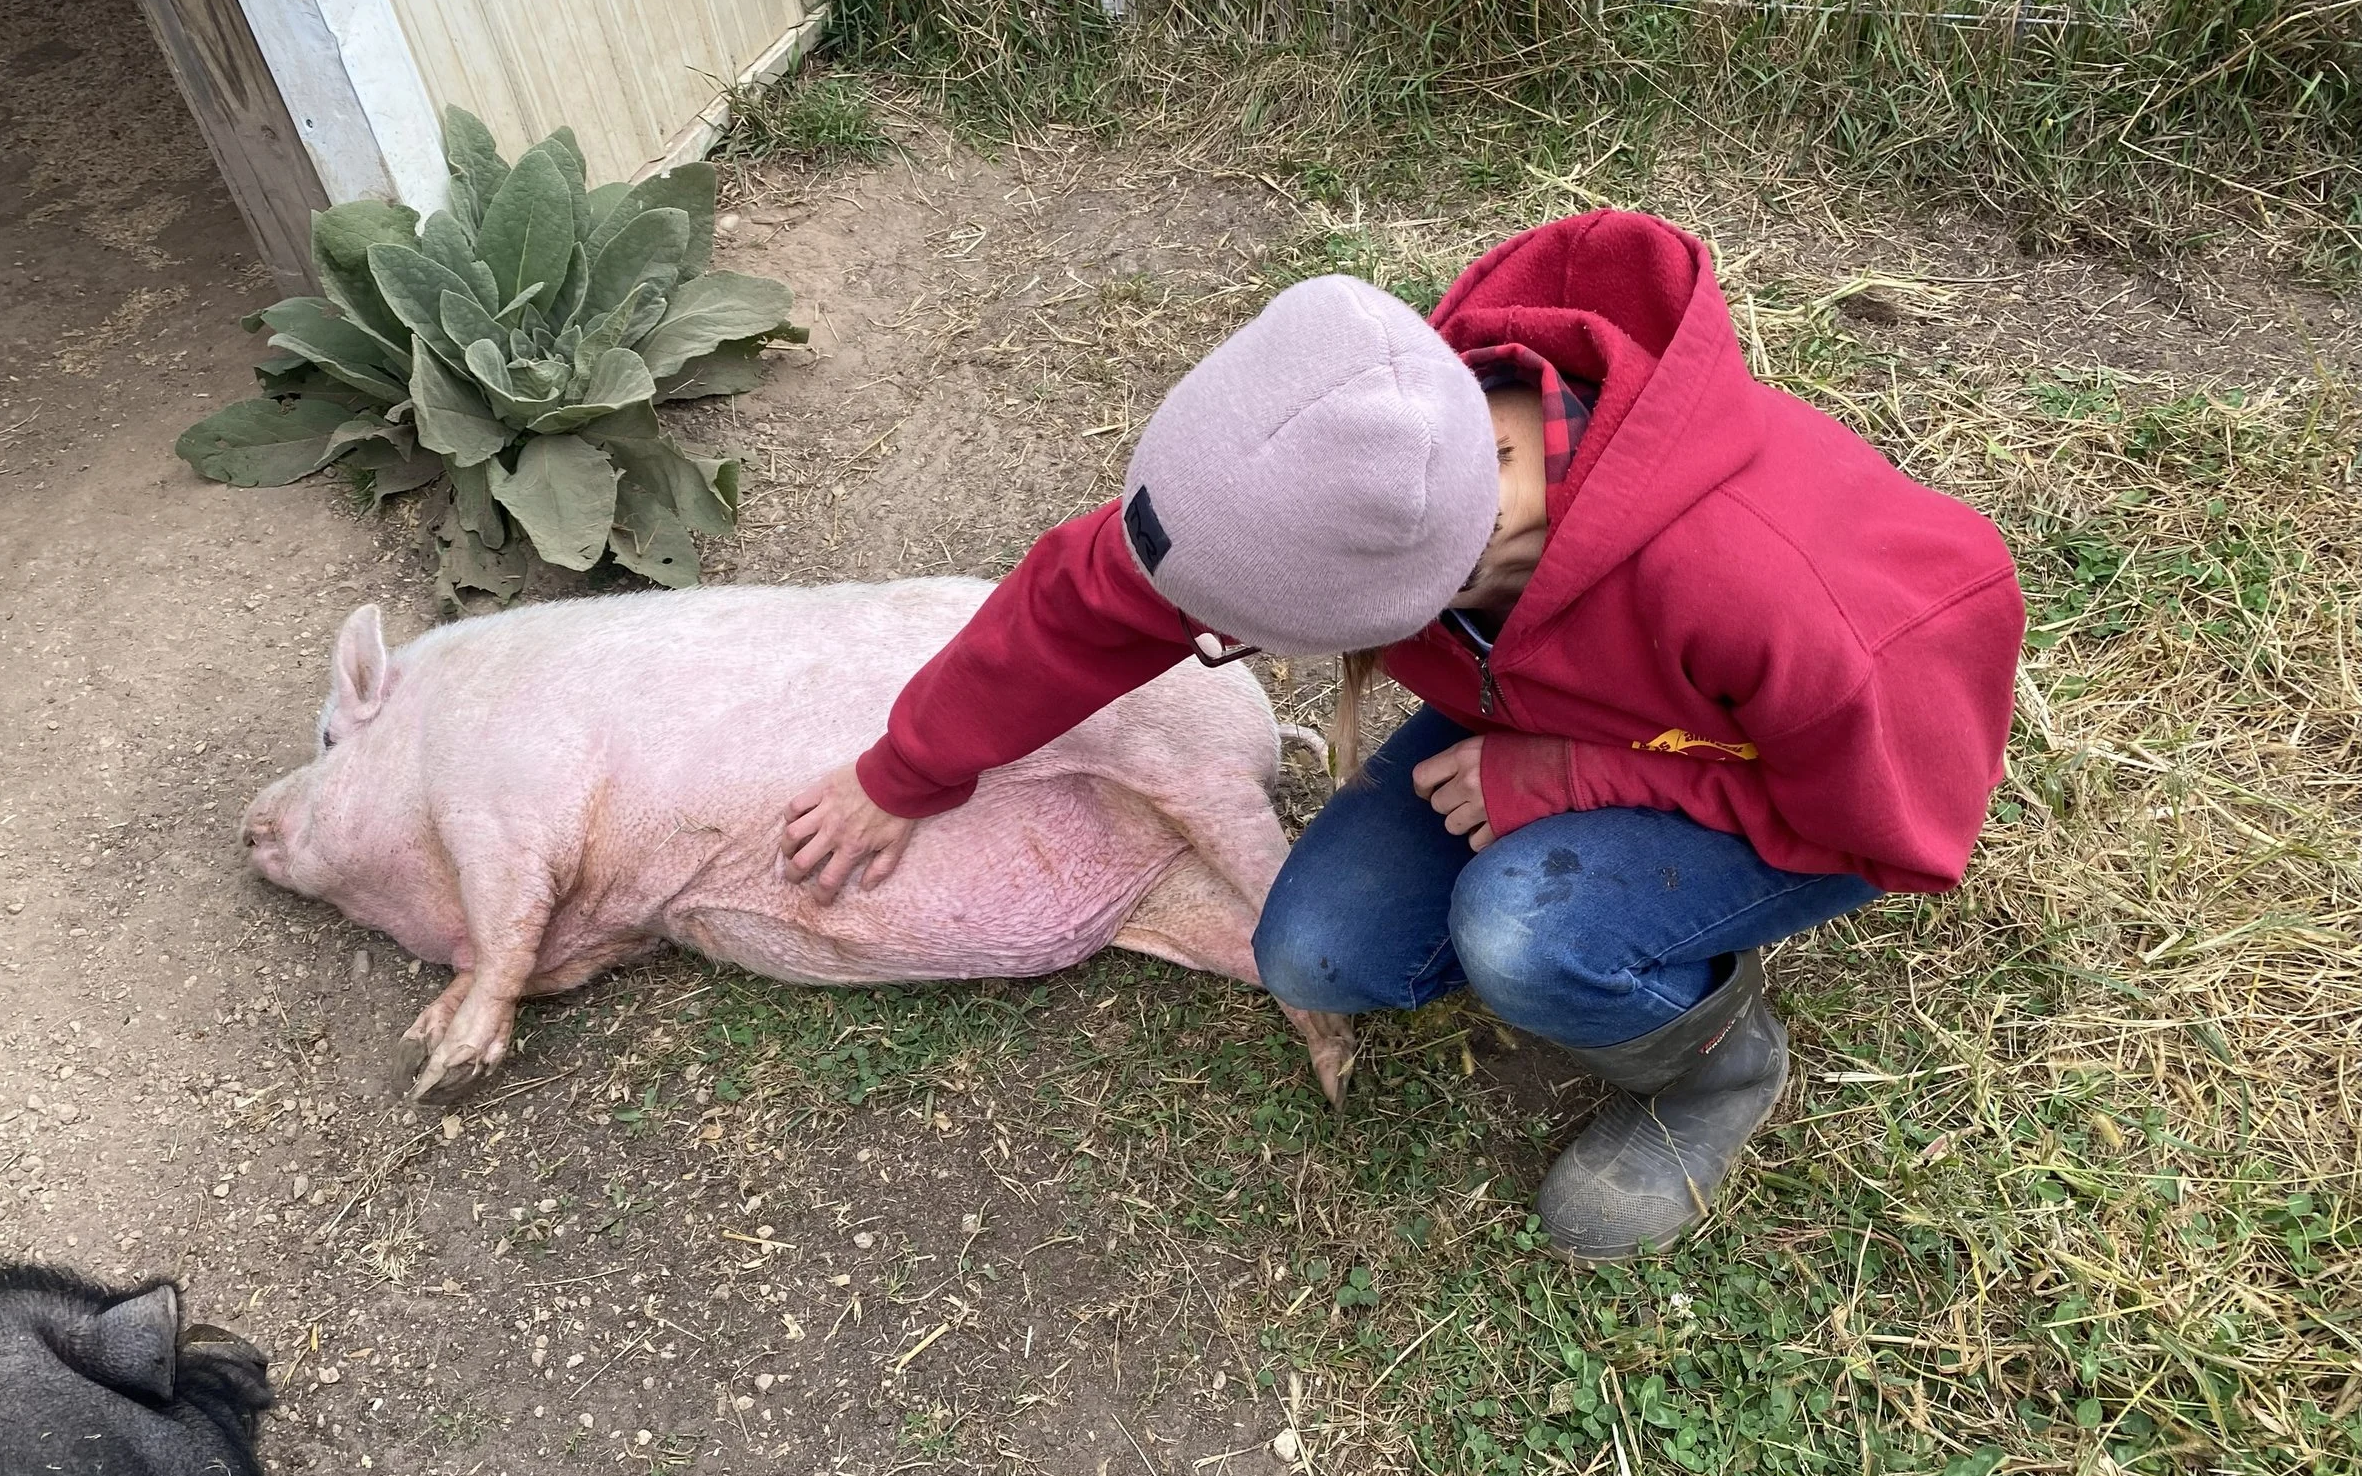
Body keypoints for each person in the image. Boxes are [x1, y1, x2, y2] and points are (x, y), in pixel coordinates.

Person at [779, 210, 2023, 1262]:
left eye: (1244, 635)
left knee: (1521, 934)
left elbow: (1892, 828)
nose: (1208, 638)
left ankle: (1714, 1062)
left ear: (1426, 577)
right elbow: (1085, 602)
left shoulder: (1802, 601)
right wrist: (908, 771)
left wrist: (1569, 777)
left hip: (1784, 784)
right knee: (1318, 954)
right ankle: (1565, 924)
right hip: (1526, 707)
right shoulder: (1359, 460)